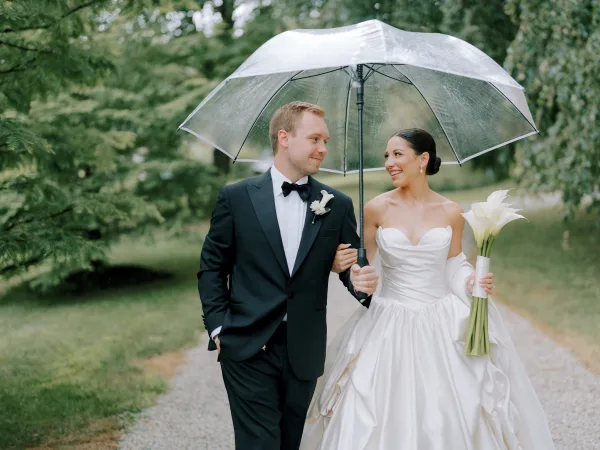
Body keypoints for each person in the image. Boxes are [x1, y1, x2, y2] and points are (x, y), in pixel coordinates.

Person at [300, 128, 555, 450]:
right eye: (386, 156)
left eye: (397, 155)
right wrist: (350, 270)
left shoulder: (451, 211)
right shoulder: (376, 208)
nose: (389, 163)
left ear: (422, 159)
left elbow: (453, 264)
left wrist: (470, 281)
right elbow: (357, 267)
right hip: (388, 318)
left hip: (440, 317)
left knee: (453, 405)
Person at [197, 101, 380, 450]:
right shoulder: (236, 198)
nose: (323, 148)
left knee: (291, 442)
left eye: (325, 140)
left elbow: (351, 267)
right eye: (314, 139)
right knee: (259, 443)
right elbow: (211, 267)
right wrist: (219, 327)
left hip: (304, 348)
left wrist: (360, 282)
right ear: (284, 137)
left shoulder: (337, 204)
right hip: (246, 344)